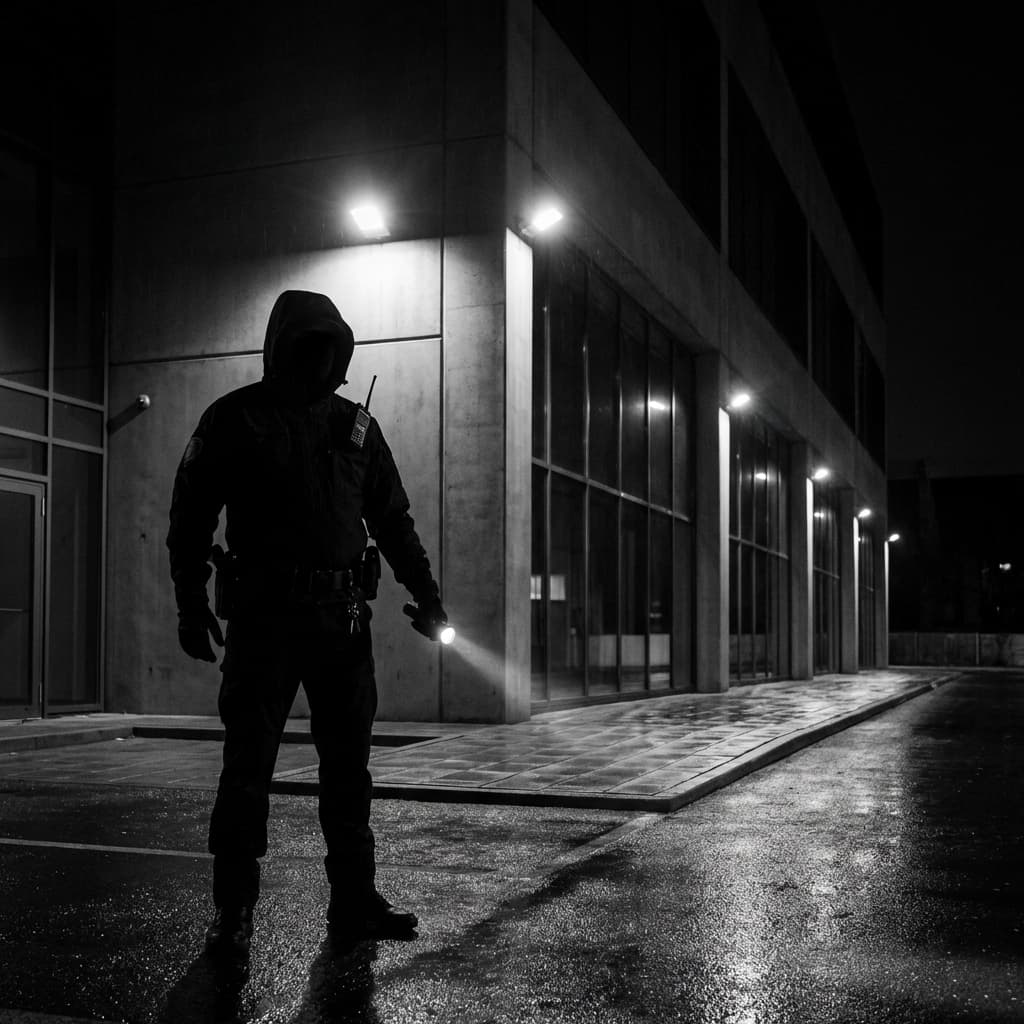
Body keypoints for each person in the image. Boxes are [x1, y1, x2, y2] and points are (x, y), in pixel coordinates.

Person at [166, 289, 447, 958]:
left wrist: (427, 595)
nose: (322, 360)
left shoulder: (356, 428)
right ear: (284, 347)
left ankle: (354, 899)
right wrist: (190, 602)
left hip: (341, 625)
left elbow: (393, 520)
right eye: (310, 346)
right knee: (247, 769)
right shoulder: (236, 418)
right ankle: (233, 909)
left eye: (331, 348)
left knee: (348, 771)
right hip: (264, 624)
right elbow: (190, 515)